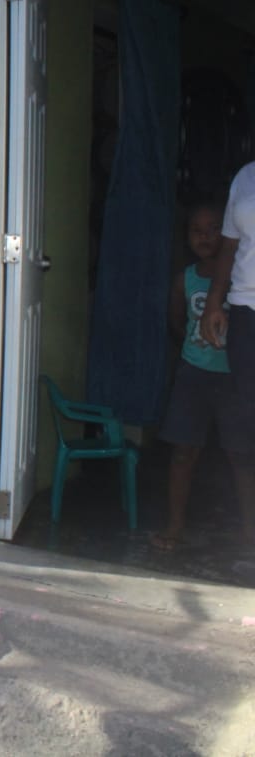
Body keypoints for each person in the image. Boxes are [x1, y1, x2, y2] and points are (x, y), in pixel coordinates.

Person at [152, 203, 237, 551]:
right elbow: (176, 322)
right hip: (194, 372)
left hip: (234, 375)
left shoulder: (241, 278)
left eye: (214, 228)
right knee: (184, 452)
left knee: (243, 454)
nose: (205, 236)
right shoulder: (183, 280)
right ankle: (175, 527)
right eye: (196, 230)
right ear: (187, 238)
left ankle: (249, 530)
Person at [199, 164, 255, 547]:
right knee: (248, 418)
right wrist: (214, 302)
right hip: (246, 309)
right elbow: (231, 246)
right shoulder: (246, 177)